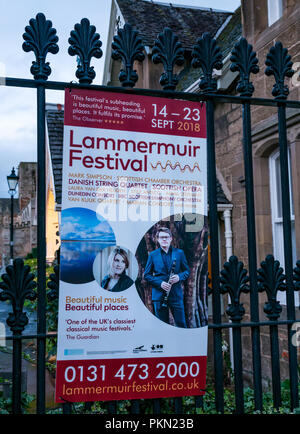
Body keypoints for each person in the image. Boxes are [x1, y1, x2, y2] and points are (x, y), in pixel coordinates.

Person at [143, 227, 190, 327]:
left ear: (171, 238)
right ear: (158, 239)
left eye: (166, 237)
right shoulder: (153, 255)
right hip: (159, 296)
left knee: (181, 324)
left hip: (175, 295)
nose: (164, 239)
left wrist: (179, 277)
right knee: (162, 326)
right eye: (161, 237)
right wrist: (160, 283)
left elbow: (187, 271)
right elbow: (146, 275)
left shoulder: (179, 253)